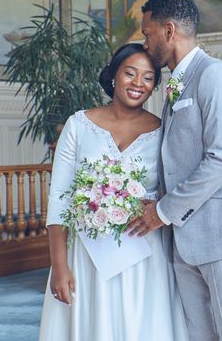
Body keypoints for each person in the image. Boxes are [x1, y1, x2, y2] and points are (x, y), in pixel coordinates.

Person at [133, 0, 222, 340]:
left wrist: (163, 210)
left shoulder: (215, 76)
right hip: (186, 240)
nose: (145, 43)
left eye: (147, 33)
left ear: (168, 30)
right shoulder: (175, 83)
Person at [38, 43, 188, 341]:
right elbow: (60, 197)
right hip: (88, 254)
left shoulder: (163, 130)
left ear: (155, 85)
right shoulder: (78, 125)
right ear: (113, 75)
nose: (138, 83)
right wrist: (59, 265)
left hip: (145, 253)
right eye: (130, 73)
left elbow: (174, 188)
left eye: (147, 78)